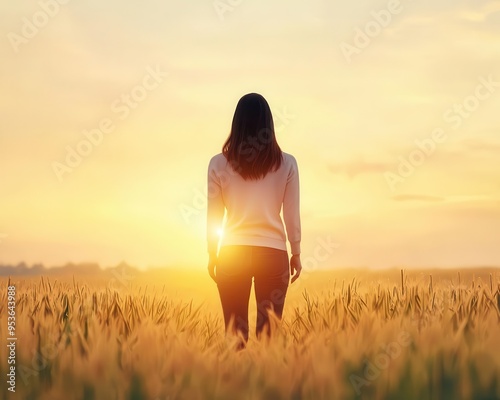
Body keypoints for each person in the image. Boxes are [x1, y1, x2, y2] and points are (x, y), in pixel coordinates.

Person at [206, 92, 302, 349]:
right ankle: (266, 386)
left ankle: (234, 387)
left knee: (234, 336)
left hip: (231, 253)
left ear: (236, 123)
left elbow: (213, 215)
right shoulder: (287, 164)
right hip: (273, 255)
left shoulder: (217, 164)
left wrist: (212, 254)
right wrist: (296, 252)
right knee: (268, 340)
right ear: (269, 125)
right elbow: (292, 214)